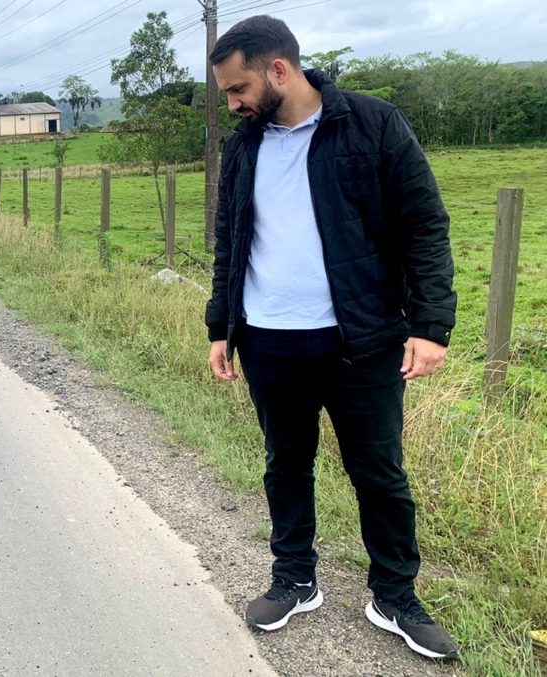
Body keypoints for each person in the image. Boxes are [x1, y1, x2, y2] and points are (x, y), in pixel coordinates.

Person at [204, 15, 459, 660]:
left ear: (278, 71)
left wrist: (431, 326)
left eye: (238, 89)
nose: (233, 104)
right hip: (268, 340)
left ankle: (394, 596)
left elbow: (424, 225)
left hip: (362, 341)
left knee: (378, 473)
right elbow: (230, 241)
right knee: (284, 464)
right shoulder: (245, 144)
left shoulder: (372, 125)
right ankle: (294, 577)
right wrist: (220, 329)